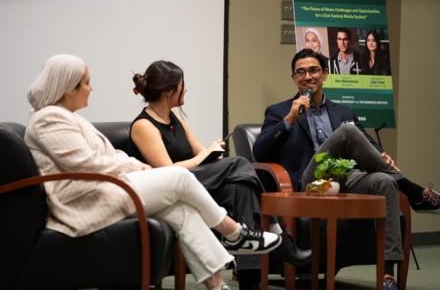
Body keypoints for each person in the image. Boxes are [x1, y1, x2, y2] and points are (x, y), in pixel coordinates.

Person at [24, 54, 283, 290]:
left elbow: (106, 156)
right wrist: (135, 165)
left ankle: (218, 286)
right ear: (69, 88)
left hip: (104, 188)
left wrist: (131, 164)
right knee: (179, 177)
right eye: (87, 82)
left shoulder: (67, 116)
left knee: (184, 211)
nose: (91, 88)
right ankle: (233, 231)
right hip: (84, 201)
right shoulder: (48, 118)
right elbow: (86, 163)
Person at [253, 48, 440, 290]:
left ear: (325, 75)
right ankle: (415, 193)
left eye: (313, 70)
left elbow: (368, 144)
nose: (307, 76)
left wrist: (381, 155)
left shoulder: (344, 112)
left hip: (347, 179)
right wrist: (289, 120)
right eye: (301, 72)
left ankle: (387, 276)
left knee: (384, 180)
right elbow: (259, 152)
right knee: (347, 131)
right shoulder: (279, 111)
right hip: (311, 183)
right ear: (293, 78)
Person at [127, 60, 311, 290]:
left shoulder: (174, 118)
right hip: (170, 189)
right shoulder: (143, 125)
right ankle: (278, 234)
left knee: (240, 186)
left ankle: (250, 282)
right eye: (182, 85)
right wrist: (202, 157)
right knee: (241, 164)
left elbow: (200, 153)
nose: (185, 89)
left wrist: (212, 153)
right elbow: (168, 172)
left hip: (194, 184)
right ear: (168, 92)